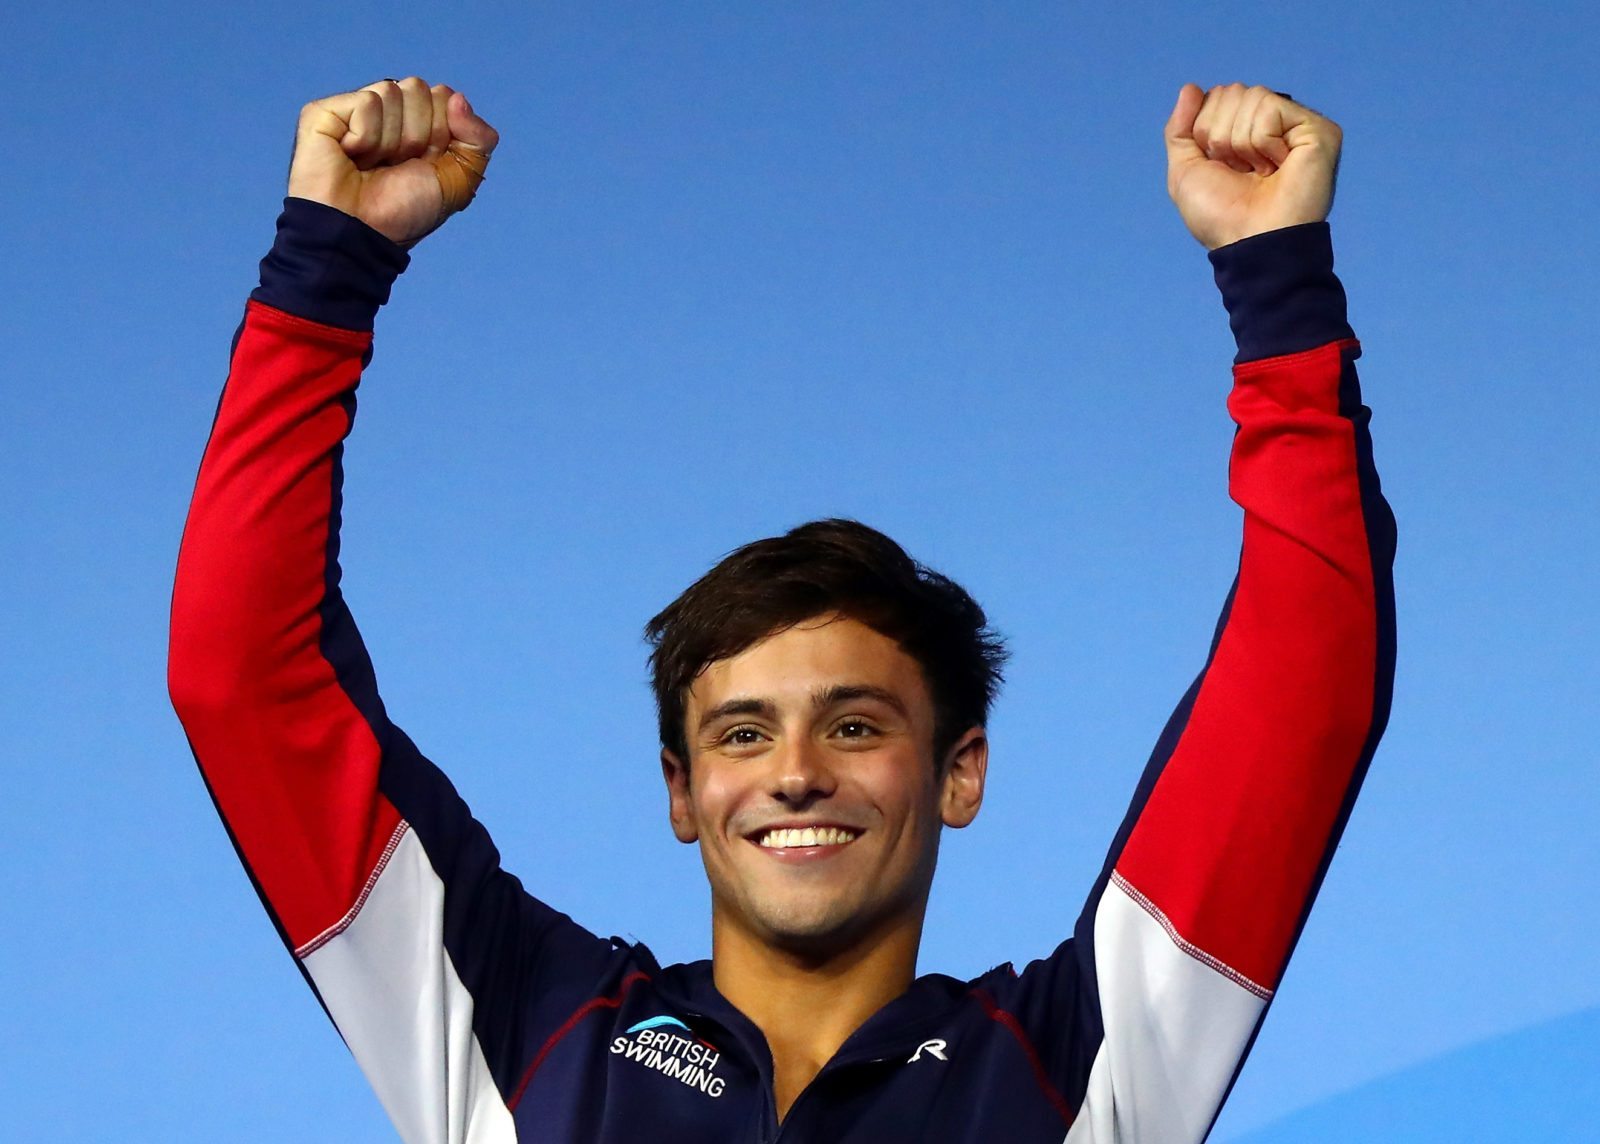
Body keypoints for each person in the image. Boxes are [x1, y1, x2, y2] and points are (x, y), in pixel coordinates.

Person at [168, 76, 1395, 1143]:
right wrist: (328, 265)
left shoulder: (1083, 1067)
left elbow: (1301, 697)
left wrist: (1275, 279)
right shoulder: (517, 1028)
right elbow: (245, 677)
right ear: (680, 788)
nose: (795, 774)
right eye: (742, 732)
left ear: (960, 770)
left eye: (855, 725)